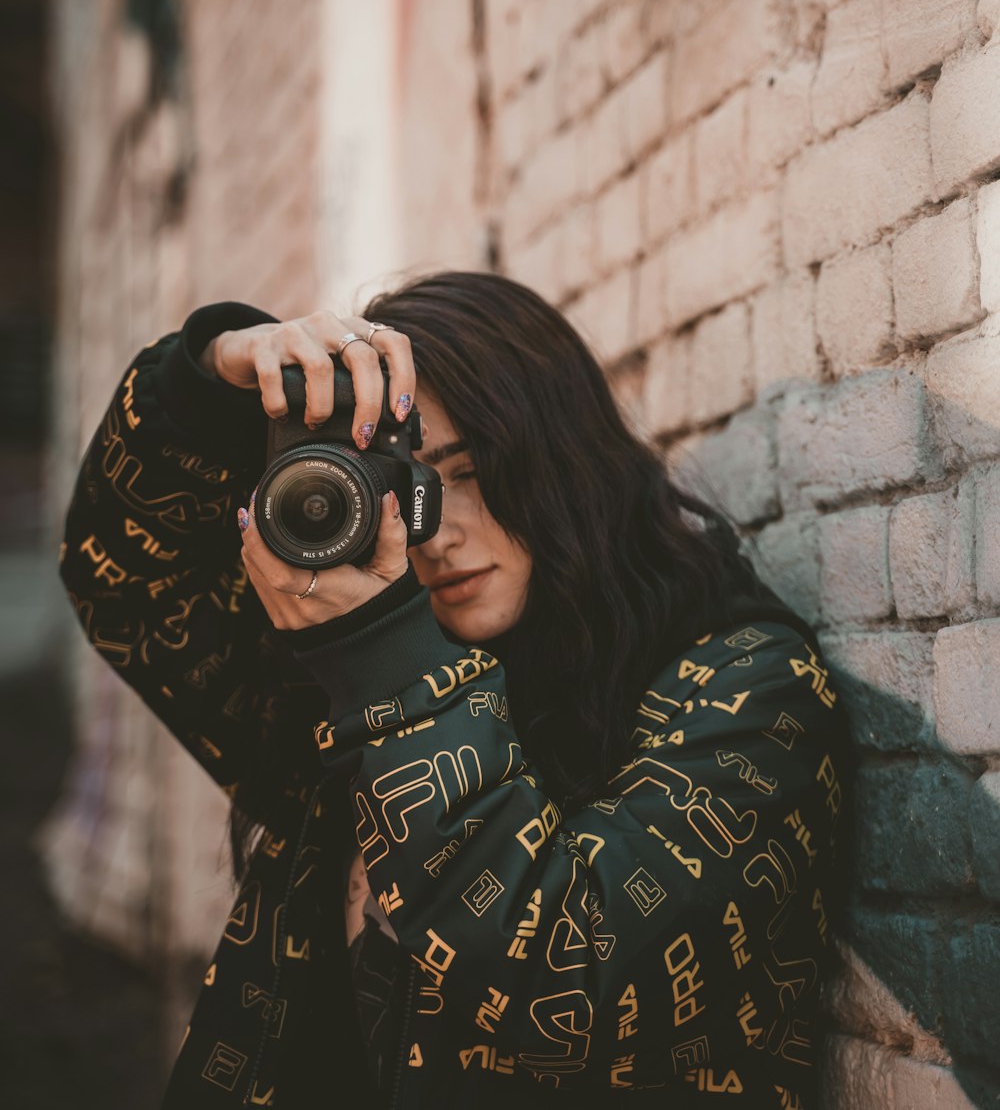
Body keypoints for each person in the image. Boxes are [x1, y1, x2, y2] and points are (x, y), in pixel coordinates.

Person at [58, 270, 853, 1109]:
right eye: (402, 484)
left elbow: (573, 989)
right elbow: (125, 582)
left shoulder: (748, 686)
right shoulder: (331, 696)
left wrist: (388, 667)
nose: (438, 529)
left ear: (568, 463)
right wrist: (213, 368)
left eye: (471, 469)